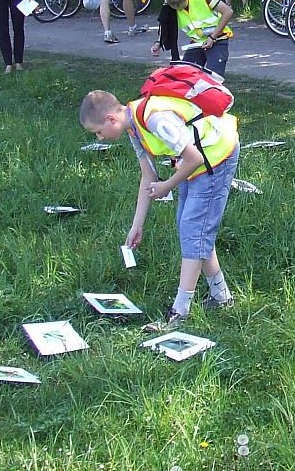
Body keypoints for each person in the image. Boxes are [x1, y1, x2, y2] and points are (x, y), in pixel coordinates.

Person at [79, 87, 240, 330]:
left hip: (217, 156)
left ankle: (179, 312)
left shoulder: (154, 119)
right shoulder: (133, 128)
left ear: (111, 118)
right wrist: (137, 225)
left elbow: (194, 158)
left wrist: (167, 186)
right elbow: (148, 176)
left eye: (98, 132)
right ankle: (222, 296)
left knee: (193, 229)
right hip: (197, 162)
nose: (100, 138)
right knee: (192, 229)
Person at [154, 0, 234, 77]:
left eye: (180, 4)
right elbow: (165, 25)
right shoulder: (170, 5)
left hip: (218, 39)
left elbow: (228, 12)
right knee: (185, 75)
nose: (178, 8)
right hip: (197, 43)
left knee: (214, 78)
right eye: (174, 6)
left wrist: (213, 37)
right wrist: (159, 43)